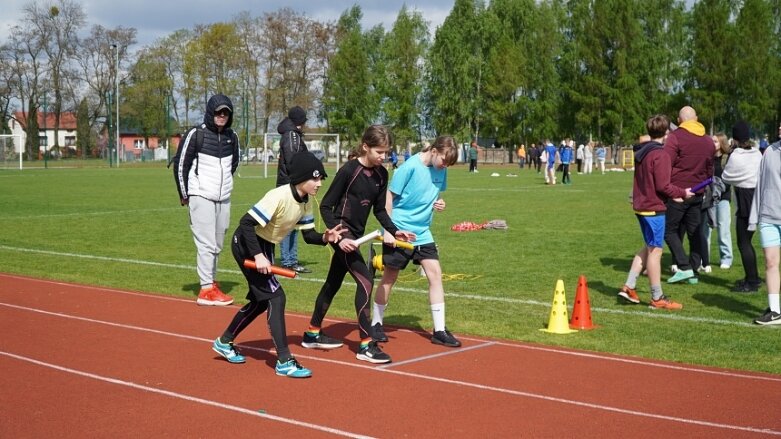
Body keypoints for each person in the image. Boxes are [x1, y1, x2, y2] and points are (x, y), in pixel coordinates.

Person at [211, 152, 345, 377]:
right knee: (276, 297)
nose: (320, 184)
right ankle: (284, 360)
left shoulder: (305, 202)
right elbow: (246, 224)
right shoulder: (279, 196)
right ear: (301, 177)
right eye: (315, 179)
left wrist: (325, 237)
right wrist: (258, 256)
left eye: (321, 178)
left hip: (265, 246)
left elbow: (308, 235)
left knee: (261, 301)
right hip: (247, 243)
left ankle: (224, 342)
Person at [302, 125, 415, 364]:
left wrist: (395, 231)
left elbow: (380, 210)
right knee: (365, 281)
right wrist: (340, 238)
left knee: (333, 283)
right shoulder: (348, 171)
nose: (383, 157)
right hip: (342, 236)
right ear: (365, 146)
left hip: (357, 237)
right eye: (379, 152)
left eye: (386, 152)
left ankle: (312, 332)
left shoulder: (382, 175)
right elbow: (326, 206)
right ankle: (365, 345)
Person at [372, 136, 461, 347]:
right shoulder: (409, 167)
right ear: (435, 151)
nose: (444, 166)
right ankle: (375, 324)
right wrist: (389, 231)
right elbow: (389, 199)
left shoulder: (442, 169)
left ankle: (439, 330)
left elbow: (432, 194)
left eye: (448, 164)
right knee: (390, 277)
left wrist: (439, 203)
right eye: (444, 161)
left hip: (423, 233)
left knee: (435, 274)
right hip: (401, 230)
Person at [618, 114, 692, 310]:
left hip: (642, 206)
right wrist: (682, 192)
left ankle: (629, 286)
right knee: (656, 252)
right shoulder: (660, 154)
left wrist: (674, 194)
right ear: (666, 133)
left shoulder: (644, 151)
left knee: (648, 247)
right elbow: (663, 186)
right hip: (653, 208)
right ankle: (657, 297)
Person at [173, 93, 240, 306]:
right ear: (211, 112)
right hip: (200, 195)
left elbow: (234, 163)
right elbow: (181, 164)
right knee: (206, 243)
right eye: (219, 112)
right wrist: (185, 193)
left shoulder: (233, 136)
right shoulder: (195, 134)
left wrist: (225, 186)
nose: (222, 116)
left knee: (218, 243)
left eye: (226, 113)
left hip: (223, 197)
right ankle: (206, 289)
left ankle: (211, 281)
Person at [663, 106, 715, 285]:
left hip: (678, 192)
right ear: (697, 118)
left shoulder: (675, 137)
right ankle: (693, 270)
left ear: (679, 121)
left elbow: (666, 164)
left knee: (669, 230)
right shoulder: (708, 141)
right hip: (698, 192)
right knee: (695, 233)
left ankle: (684, 267)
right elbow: (710, 171)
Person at [722, 121, 762, 292]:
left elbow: (726, 176)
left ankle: (752, 281)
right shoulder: (757, 153)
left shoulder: (736, 155)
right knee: (748, 240)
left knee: (743, 242)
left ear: (735, 138)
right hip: (758, 197)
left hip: (745, 197)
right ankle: (752, 276)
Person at [751, 123, 781, 324]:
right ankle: (775, 311)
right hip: (769, 217)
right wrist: (755, 216)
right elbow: (760, 184)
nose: (779, 128)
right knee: (770, 262)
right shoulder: (769, 151)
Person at [276, 106, 311, 274]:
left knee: (293, 226)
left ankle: (291, 260)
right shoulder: (292, 136)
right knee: (289, 226)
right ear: (300, 122)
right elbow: (293, 162)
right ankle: (288, 261)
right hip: (290, 186)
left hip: (291, 185)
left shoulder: (291, 135)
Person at [709, 133, 733, 270]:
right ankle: (703, 259)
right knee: (706, 229)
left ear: (722, 143)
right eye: (712, 141)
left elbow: (729, 179)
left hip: (723, 198)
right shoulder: (707, 158)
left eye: (716, 142)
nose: (713, 144)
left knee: (723, 228)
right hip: (708, 197)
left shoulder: (727, 159)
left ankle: (726, 258)